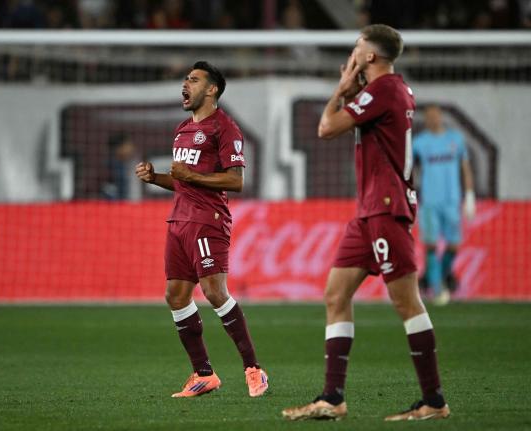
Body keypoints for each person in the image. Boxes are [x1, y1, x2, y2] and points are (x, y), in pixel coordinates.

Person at [282, 24, 450, 421]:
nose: (353, 52)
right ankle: (332, 397)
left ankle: (434, 401)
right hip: (369, 210)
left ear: (370, 56)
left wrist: (341, 91)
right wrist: (355, 93)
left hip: (385, 206)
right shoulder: (394, 89)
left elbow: (326, 128)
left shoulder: (383, 89)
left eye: (358, 47)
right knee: (336, 295)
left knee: (406, 301)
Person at [135, 61, 268, 398]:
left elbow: (236, 180)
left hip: (208, 220)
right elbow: (182, 182)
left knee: (214, 291)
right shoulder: (181, 129)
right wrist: (155, 178)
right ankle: (203, 373)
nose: (186, 84)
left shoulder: (225, 128)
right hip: (178, 220)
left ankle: (254, 369)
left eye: (194, 80)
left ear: (212, 90)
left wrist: (191, 176)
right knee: (175, 295)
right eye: (185, 79)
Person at [413, 104, 476, 305]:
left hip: (452, 200)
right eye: (429, 117)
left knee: (454, 245)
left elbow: (465, 168)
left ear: (441, 117)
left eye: (436, 116)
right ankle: (437, 289)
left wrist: (469, 195)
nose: (433, 119)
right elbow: (412, 172)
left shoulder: (455, 140)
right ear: (425, 119)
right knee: (430, 245)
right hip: (430, 201)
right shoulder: (419, 143)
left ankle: (436, 276)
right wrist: (411, 195)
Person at [102, 133, 135, 200]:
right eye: (127, 145)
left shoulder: (130, 164)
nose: (131, 148)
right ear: (119, 148)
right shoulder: (111, 168)